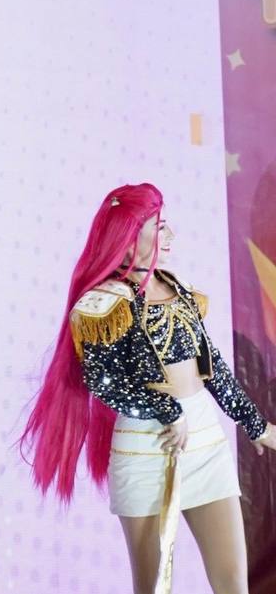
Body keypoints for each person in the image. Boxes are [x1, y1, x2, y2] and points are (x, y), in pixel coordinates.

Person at [20, 183, 276, 594]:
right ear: (127, 235)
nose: (170, 235)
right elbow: (103, 381)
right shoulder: (104, 303)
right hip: (145, 447)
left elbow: (211, 365)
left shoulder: (177, 287)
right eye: (158, 227)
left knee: (233, 581)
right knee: (154, 586)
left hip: (205, 442)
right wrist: (166, 409)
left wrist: (255, 423)